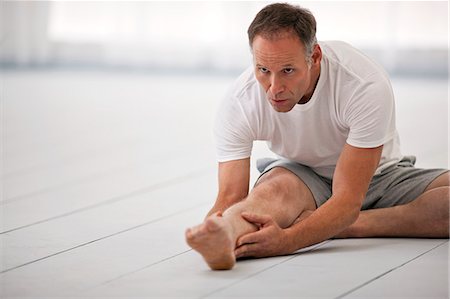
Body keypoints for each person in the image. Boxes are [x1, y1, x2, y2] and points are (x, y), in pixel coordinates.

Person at [185, 3, 449, 270]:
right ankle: (230, 238)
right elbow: (231, 197)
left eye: (288, 70)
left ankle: (353, 225)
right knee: (270, 194)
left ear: (315, 57)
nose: (274, 89)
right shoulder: (240, 102)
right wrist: (220, 228)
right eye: (263, 70)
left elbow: (347, 201)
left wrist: (288, 240)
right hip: (303, 177)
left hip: (383, 175)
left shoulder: (363, 84)